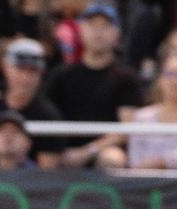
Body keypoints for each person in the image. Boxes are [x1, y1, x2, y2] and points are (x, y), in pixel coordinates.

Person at [46, 3, 142, 169]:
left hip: (104, 150)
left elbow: (127, 129)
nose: (98, 32)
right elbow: (48, 116)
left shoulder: (127, 78)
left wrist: (88, 151)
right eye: (92, 25)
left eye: (105, 26)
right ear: (81, 30)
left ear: (117, 33)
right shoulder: (61, 76)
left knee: (113, 158)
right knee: (47, 156)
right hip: (65, 150)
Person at [0, 37, 65, 168]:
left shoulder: (49, 116)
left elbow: (47, 174)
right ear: (5, 68)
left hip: (30, 180)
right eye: (20, 69)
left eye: (32, 71)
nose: (25, 78)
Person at [128, 49, 177, 169]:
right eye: (169, 74)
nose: (175, 81)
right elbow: (135, 161)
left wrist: (161, 163)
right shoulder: (142, 117)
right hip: (147, 180)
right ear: (159, 79)